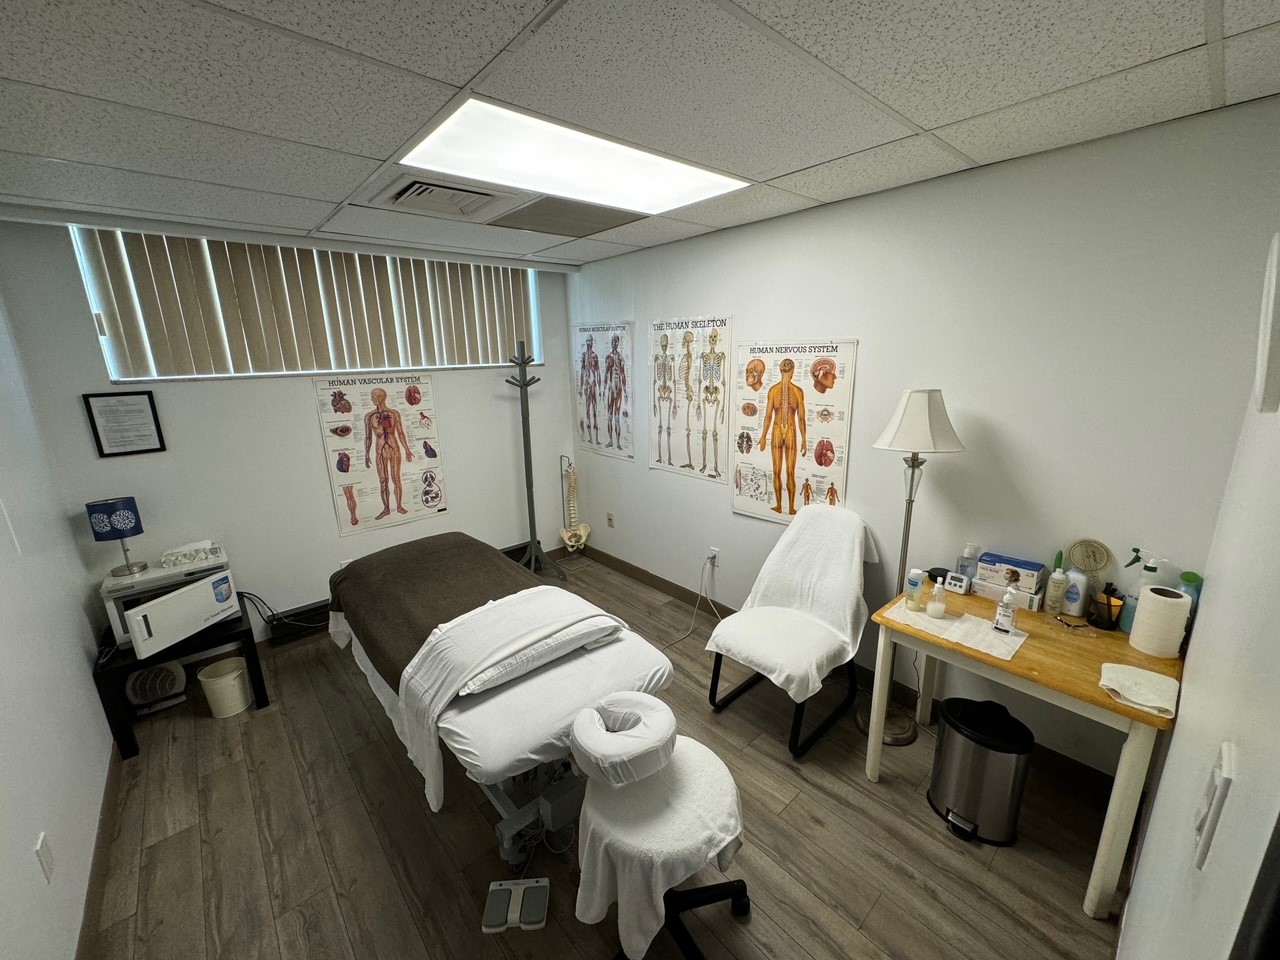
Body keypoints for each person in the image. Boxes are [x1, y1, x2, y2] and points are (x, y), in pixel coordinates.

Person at [758, 358, 807, 514]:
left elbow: (801, 418)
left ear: (782, 370)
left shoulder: (781, 390)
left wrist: (764, 435)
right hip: (783, 430)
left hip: (782, 430)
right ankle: (785, 507)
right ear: (792, 372)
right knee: (781, 470)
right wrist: (763, 435)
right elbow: (768, 416)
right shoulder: (792, 391)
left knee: (784, 471)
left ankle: (786, 506)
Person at [363, 387, 412, 520]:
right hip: (379, 450)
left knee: (396, 478)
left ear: (380, 397)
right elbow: (368, 437)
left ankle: (399, 506)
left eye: (373, 396)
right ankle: (386, 509)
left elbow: (401, 433)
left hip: (394, 448)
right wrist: (366, 454)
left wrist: (407, 449)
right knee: (383, 480)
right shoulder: (369, 416)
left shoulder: (394, 413)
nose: (371, 399)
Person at [652, 333, 675, 464]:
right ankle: (660, 457)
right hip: (661, 391)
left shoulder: (671, 358)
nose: (664, 346)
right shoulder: (657, 358)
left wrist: (676, 403)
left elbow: (674, 381)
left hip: (668, 391)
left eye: (666, 344)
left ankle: (670, 459)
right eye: (663, 344)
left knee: (668, 427)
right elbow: (655, 380)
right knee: (660, 426)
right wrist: (653, 404)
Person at [605, 333, 629, 450]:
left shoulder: (620, 358)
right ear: (611, 342)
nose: (614, 343)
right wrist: (603, 390)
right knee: (609, 417)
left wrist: (625, 391)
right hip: (610, 389)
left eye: (616, 341)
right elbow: (605, 374)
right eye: (613, 341)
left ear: (618, 343)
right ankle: (610, 440)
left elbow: (623, 375)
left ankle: (618, 442)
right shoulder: (608, 357)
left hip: (618, 389)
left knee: (617, 418)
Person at [579, 334, 602, 444]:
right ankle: (590, 438)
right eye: (587, 340)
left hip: (593, 386)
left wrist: (600, 388)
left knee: (594, 412)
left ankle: (596, 439)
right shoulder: (583, 356)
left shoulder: (595, 356)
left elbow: (598, 372)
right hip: (587, 386)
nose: (589, 343)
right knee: (588, 411)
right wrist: (580, 387)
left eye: (590, 341)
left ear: (592, 342)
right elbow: (582, 372)